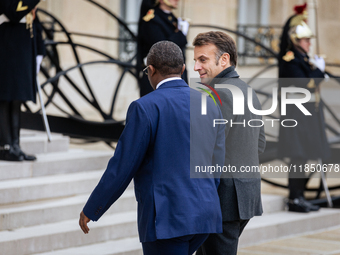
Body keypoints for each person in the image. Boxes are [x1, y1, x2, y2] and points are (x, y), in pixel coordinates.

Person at [79, 41, 226, 255]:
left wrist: (93, 207)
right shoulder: (210, 103)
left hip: (167, 219)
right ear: (183, 69)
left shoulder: (144, 107)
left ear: (151, 70)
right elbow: (217, 163)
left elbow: (122, 167)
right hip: (205, 215)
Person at [193, 31, 266, 255]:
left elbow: (208, 148)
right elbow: (260, 142)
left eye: (202, 59)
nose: (196, 66)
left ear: (224, 60)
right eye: (195, 60)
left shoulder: (219, 92)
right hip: (244, 195)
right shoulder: (247, 89)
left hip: (224, 199)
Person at [278, 4, 330, 213]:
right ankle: (294, 198)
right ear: (296, 41)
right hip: (296, 116)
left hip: (307, 116)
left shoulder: (303, 59)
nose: (309, 43)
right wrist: (318, 73)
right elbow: (303, 84)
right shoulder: (289, 59)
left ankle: (299, 195)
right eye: (306, 40)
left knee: (305, 155)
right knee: (298, 156)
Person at [0, 0, 41, 161]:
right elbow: (13, 12)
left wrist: (40, 49)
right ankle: (5, 146)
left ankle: (16, 145)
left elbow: (35, 22)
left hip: (22, 48)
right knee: (4, 99)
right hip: (6, 46)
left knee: (17, 99)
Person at [137, 0, 189, 97]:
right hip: (159, 78)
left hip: (177, 77)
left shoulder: (173, 19)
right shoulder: (152, 20)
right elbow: (162, 50)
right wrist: (181, 34)